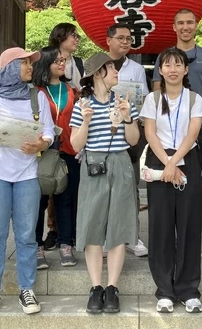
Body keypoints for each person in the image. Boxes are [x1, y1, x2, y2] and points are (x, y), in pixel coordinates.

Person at [0, 48, 55, 317]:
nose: (30, 67)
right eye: (24, 63)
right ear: (8, 67)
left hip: (28, 175)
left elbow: (49, 131)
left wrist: (42, 143)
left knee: (27, 235)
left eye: (30, 63)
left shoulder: (37, 96)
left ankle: (26, 288)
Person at [70, 53, 140, 314]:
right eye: (111, 68)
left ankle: (112, 287)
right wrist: (86, 121)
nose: (116, 72)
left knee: (119, 223)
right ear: (98, 73)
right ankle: (96, 287)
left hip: (120, 162)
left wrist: (128, 117)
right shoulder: (82, 104)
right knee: (92, 223)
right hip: (93, 164)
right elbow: (76, 144)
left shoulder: (123, 103)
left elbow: (133, 141)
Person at [153, 8, 202, 261]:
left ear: (196, 25)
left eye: (190, 23)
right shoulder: (165, 58)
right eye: (180, 22)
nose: (185, 27)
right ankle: (176, 237)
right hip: (169, 135)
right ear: (174, 27)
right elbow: (156, 94)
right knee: (172, 183)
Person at [142, 47, 202, 314]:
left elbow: (192, 135)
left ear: (186, 69)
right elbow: (150, 133)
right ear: (160, 70)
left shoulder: (194, 99)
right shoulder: (152, 99)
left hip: (187, 161)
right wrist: (168, 164)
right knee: (161, 227)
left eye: (177, 65)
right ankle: (165, 291)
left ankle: (189, 289)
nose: (172, 69)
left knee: (189, 225)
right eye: (167, 65)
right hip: (160, 163)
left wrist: (175, 162)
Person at [32, 46, 81, 269]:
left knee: (66, 198)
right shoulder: (36, 91)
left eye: (63, 61)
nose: (62, 64)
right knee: (38, 201)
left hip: (69, 149)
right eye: (57, 61)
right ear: (46, 64)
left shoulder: (70, 89)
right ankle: (36, 246)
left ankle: (65, 243)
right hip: (42, 152)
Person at [107, 22, 150, 257]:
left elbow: (142, 97)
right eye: (121, 38)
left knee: (130, 184)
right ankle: (107, 237)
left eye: (128, 39)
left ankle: (132, 235)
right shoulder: (98, 64)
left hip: (129, 128)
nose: (125, 42)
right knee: (106, 187)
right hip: (103, 131)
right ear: (109, 40)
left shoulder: (136, 68)